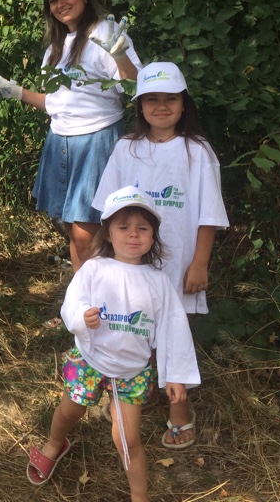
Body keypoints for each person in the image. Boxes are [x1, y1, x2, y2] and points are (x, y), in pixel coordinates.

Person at [26, 187, 199, 502]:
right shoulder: (94, 269)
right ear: (107, 233)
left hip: (131, 372)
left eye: (142, 228)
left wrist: (175, 373)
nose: (133, 235)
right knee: (69, 411)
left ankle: (140, 496)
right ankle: (54, 443)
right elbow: (72, 304)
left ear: (153, 235)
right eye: (124, 227)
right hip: (91, 361)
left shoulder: (159, 281)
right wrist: (81, 316)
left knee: (128, 440)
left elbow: (175, 328)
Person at [92, 61, 228, 450]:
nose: (161, 106)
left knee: (173, 331)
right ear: (139, 106)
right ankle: (133, 392)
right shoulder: (125, 148)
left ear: (184, 104)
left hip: (178, 263)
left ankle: (180, 412)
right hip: (129, 264)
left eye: (171, 98)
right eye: (151, 99)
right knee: (129, 326)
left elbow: (208, 214)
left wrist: (199, 262)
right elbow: (106, 212)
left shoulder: (198, 152)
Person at [0, 0, 142, 270]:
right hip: (60, 140)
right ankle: (79, 309)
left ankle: (98, 307)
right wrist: (17, 92)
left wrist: (120, 56)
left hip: (97, 140)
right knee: (72, 230)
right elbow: (58, 104)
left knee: (86, 235)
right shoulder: (56, 47)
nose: (60, 4)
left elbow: (136, 88)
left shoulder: (105, 34)